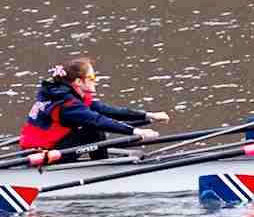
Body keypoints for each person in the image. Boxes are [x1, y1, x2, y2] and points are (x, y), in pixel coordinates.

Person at [19, 58, 168, 152]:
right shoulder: (67, 104)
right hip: (41, 153)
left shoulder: (63, 94)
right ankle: (104, 170)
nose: (95, 81)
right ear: (78, 81)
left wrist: (148, 115)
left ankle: (102, 164)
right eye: (91, 77)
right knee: (93, 129)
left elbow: (105, 110)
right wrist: (136, 131)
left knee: (94, 127)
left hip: (44, 146)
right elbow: (97, 120)